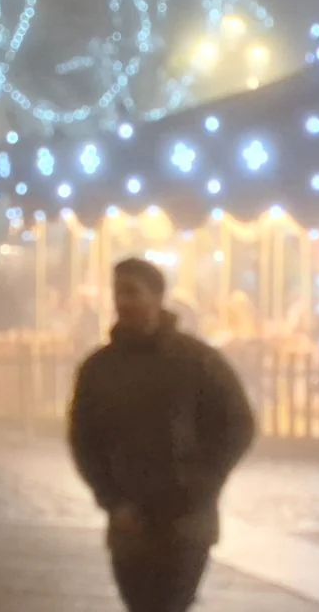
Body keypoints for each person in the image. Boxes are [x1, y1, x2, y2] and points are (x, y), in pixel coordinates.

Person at [70, 258, 256, 612]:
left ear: (156, 296)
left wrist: (203, 480)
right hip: (129, 519)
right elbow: (84, 439)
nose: (123, 302)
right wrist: (111, 498)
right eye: (118, 293)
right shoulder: (99, 369)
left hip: (185, 518)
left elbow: (238, 424)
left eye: (132, 292)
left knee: (171, 603)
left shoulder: (198, 362)